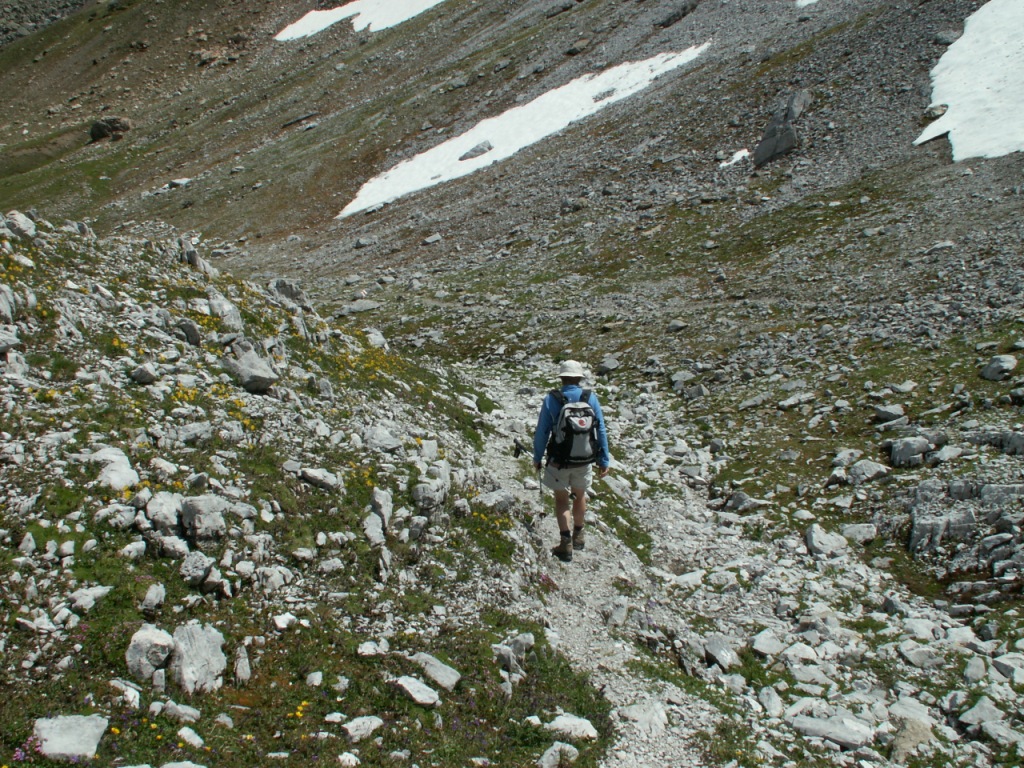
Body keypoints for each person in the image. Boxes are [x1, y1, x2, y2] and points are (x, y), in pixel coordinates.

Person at [533, 359, 610, 561]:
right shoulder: (590, 397)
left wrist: (537, 457)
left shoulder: (551, 399)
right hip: (584, 459)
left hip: (558, 460)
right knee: (580, 495)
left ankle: (565, 543)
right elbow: (600, 429)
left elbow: (542, 431)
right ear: (579, 378)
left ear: (562, 378)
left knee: (561, 499)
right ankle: (579, 535)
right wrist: (604, 459)